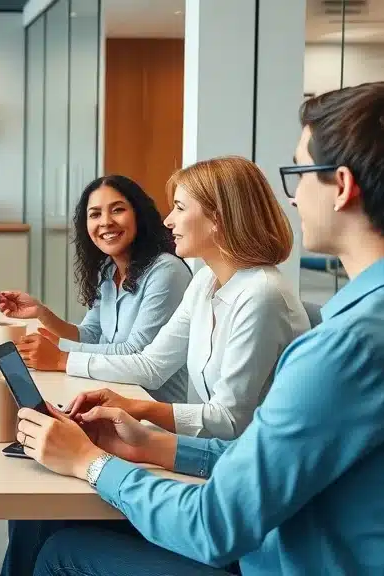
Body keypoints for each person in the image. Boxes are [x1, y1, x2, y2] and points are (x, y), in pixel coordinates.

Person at [5, 81, 384, 575]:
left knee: (59, 550)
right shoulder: (360, 322)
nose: (294, 198)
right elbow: (260, 461)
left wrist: (91, 462)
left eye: (298, 174)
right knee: (45, 517)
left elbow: (215, 525)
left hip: (266, 554)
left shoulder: (344, 347)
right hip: (272, 529)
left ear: (341, 186)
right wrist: (146, 443)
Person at [61, 157, 309, 441]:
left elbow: (229, 421)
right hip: (219, 447)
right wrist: (74, 367)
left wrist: (137, 408)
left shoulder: (261, 294)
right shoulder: (205, 281)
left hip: (254, 456)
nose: (168, 221)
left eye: (179, 208)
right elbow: (152, 366)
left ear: (218, 218)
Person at [0, 175, 192, 403]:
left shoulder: (167, 271)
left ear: (139, 214)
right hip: (108, 391)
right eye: (95, 214)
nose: (105, 222)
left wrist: (60, 354)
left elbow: (135, 352)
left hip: (150, 405)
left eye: (117, 210)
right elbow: (91, 334)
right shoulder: (108, 269)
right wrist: (41, 312)